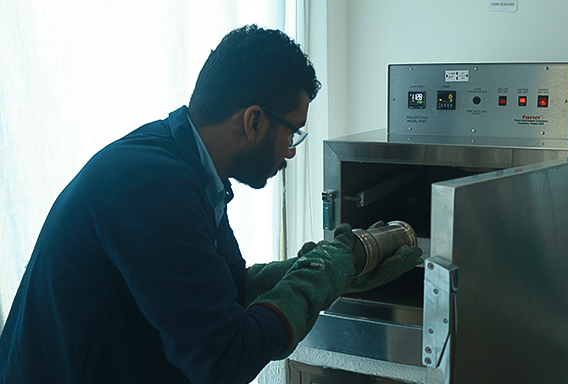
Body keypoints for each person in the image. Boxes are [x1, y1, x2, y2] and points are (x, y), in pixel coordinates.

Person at [0, 25, 421, 383]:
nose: (291, 152)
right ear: (253, 121)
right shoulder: (153, 189)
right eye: (292, 133)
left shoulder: (186, 163)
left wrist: (335, 268)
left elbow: (229, 286)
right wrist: (322, 276)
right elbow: (222, 359)